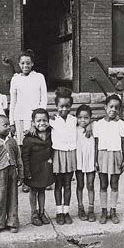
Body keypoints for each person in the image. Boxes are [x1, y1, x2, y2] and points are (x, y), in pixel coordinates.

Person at [9, 49, 47, 193]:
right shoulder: (15, 79)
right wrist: (12, 122)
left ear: (32, 64)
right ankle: (24, 179)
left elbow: (43, 99)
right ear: (19, 64)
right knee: (22, 151)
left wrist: (37, 120)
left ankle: (36, 179)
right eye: (23, 63)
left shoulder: (39, 77)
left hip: (34, 120)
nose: (25, 66)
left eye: (28, 63)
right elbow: (13, 102)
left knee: (34, 151)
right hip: (19, 118)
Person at [0, 114, 24, 233]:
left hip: (12, 172)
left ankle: (12, 222)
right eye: (5, 125)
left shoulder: (12, 141)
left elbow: (19, 158)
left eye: (9, 125)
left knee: (12, 197)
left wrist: (21, 174)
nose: (8, 128)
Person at [93, 94, 124, 224]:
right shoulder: (98, 124)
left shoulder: (122, 124)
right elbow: (96, 144)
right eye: (111, 106)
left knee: (114, 184)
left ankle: (113, 210)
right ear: (105, 107)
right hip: (102, 156)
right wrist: (95, 160)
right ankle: (104, 210)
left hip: (116, 156)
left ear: (119, 110)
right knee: (103, 184)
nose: (113, 110)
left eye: (116, 107)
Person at [21, 108, 55, 227]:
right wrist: (26, 171)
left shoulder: (52, 133)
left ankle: (42, 212)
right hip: (33, 169)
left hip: (45, 168)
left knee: (42, 190)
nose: (42, 123)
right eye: (38, 121)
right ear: (33, 123)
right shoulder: (29, 138)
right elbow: (24, 156)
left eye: (45, 120)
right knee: (33, 190)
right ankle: (34, 213)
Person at [49, 87, 77, 225]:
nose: (64, 109)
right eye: (61, 106)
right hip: (58, 154)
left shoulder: (74, 120)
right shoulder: (52, 120)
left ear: (71, 106)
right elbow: (38, 125)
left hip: (70, 154)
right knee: (58, 184)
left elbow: (88, 122)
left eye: (67, 106)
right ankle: (59, 212)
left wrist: (89, 125)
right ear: (56, 106)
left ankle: (66, 211)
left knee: (67, 184)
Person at [75, 104, 96, 222]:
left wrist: (91, 125)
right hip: (79, 160)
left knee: (90, 185)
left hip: (90, 160)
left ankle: (91, 209)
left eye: (86, 118)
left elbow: (104, 120)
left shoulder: (94, 127)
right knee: (80, 185)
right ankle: (80, 207)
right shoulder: (74, 128)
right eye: (80, 117)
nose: (83, 120)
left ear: (91, 118)